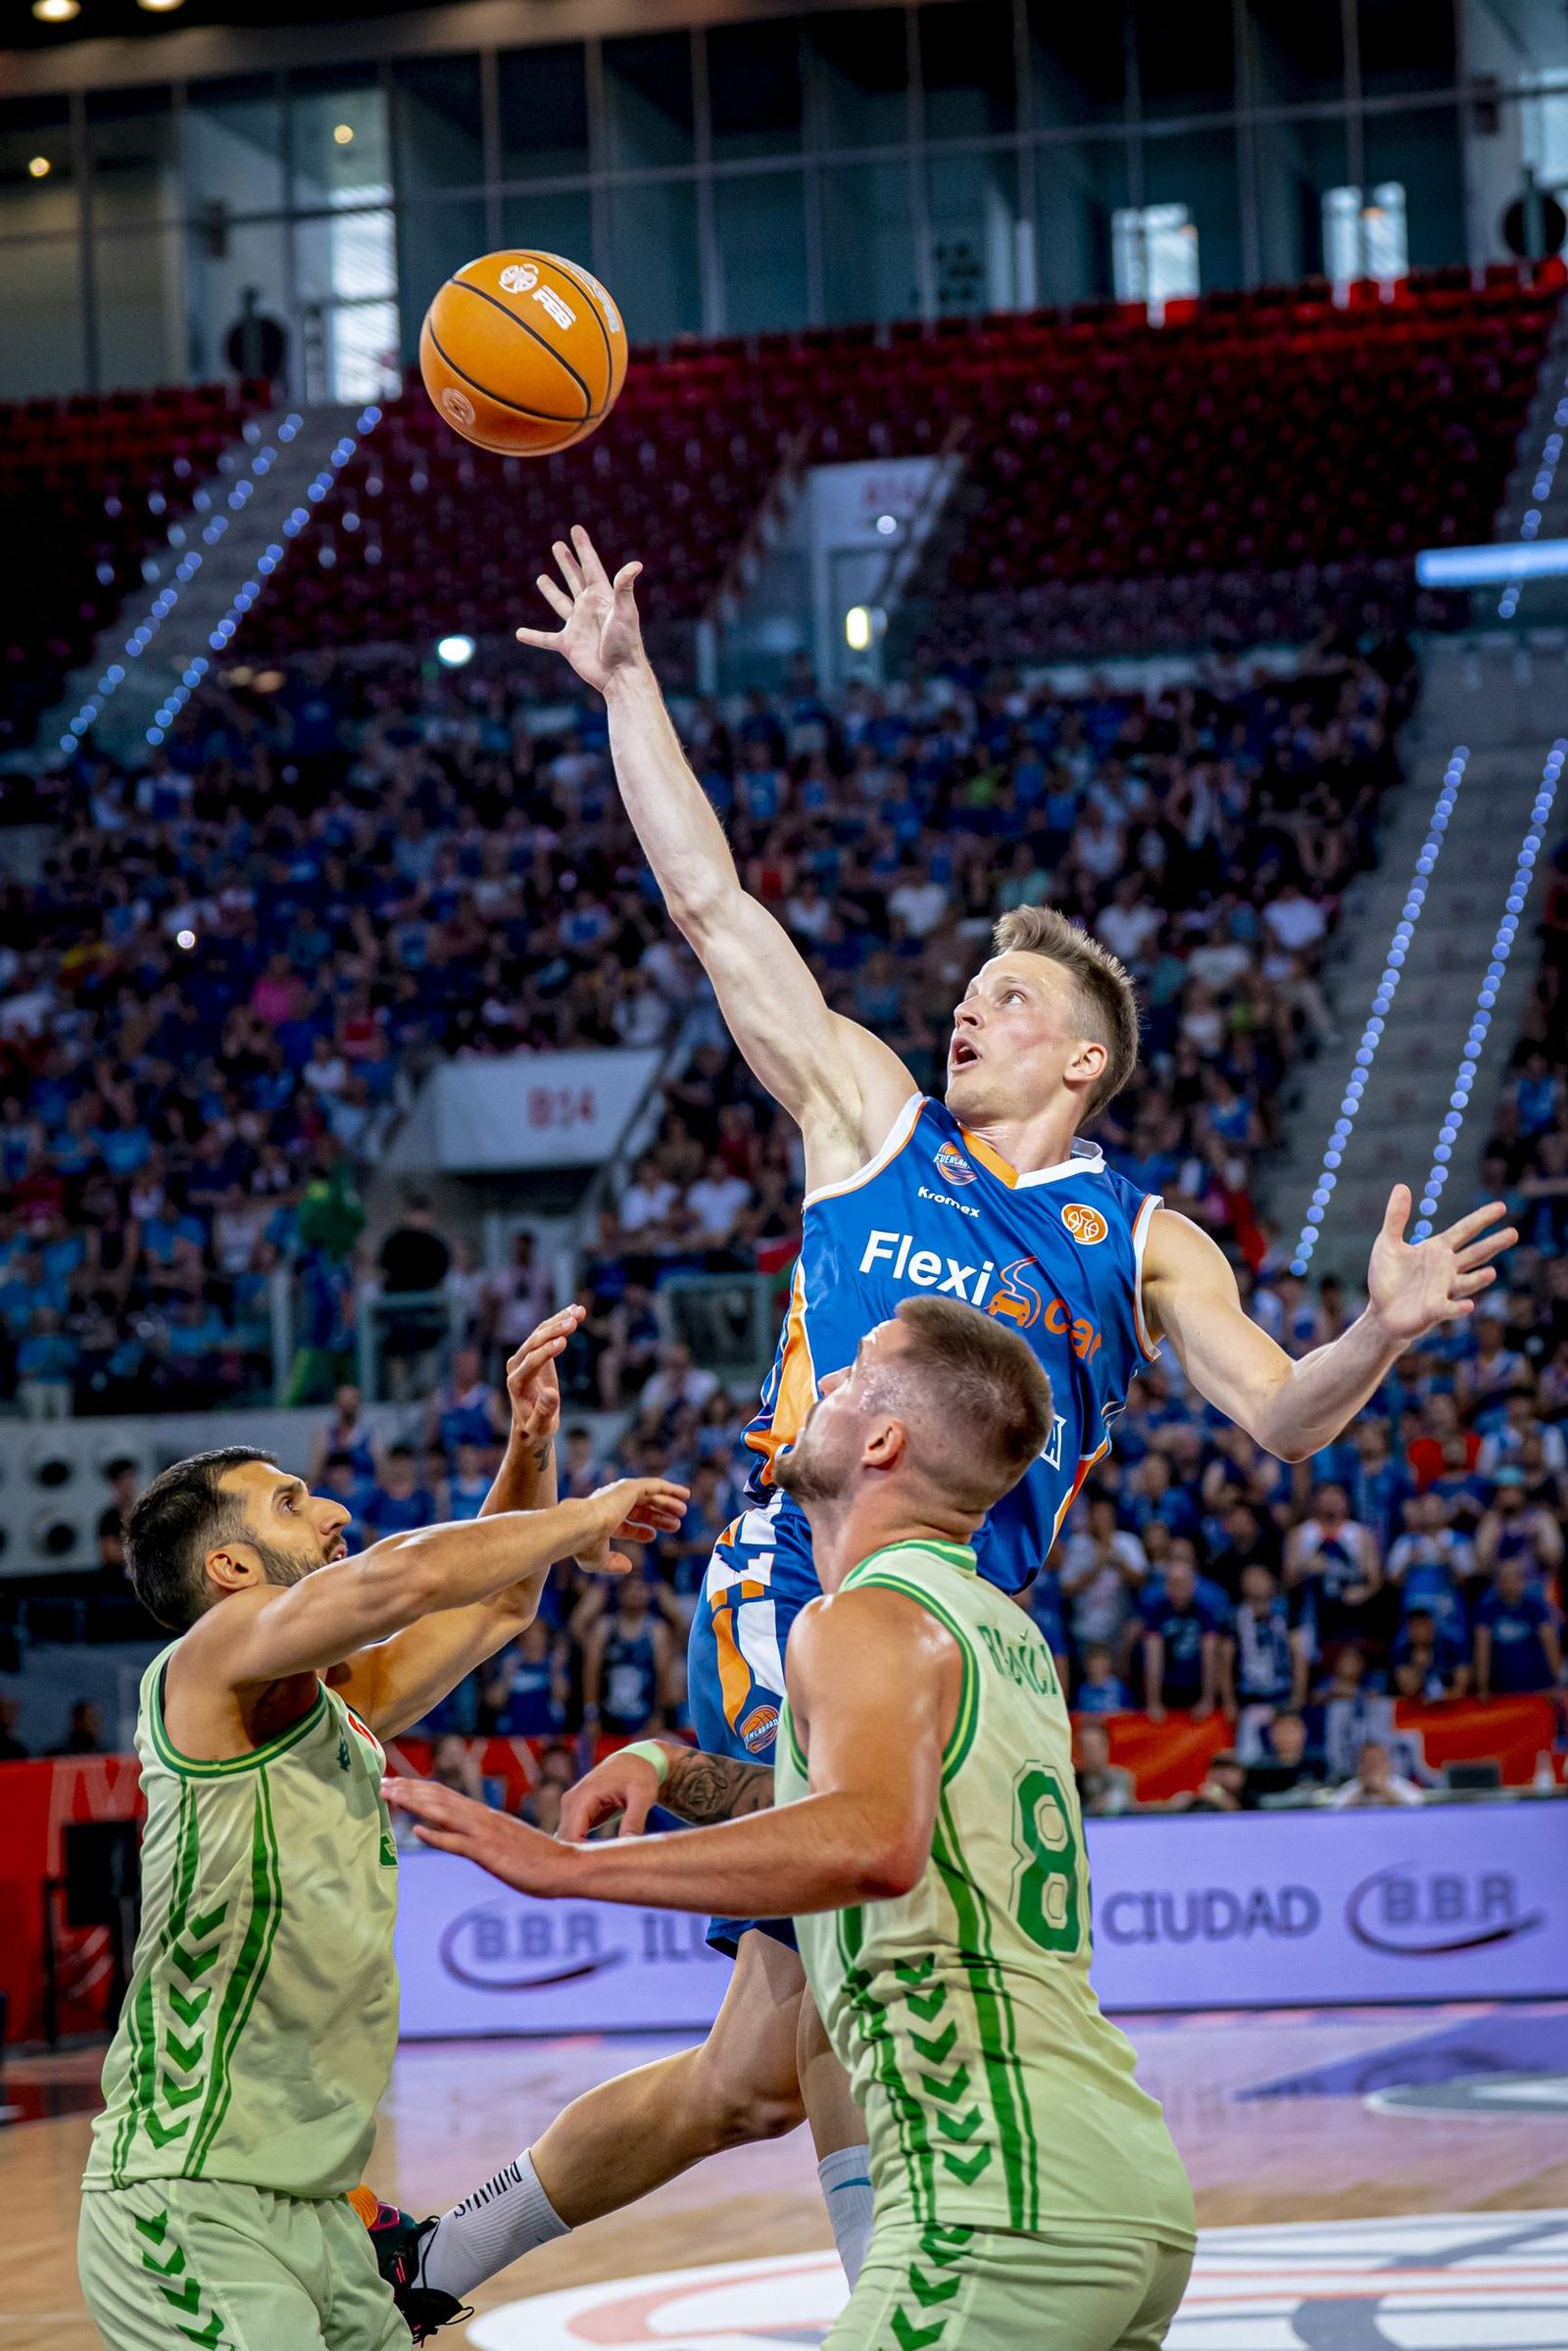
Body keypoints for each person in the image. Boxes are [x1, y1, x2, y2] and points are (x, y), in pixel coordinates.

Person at [369, 524, 1514, 2327]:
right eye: (972, 990)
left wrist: (1373, 1325)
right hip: (815, 1590)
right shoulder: (869, 1122)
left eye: (1013, 1001)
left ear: (1082, 1062)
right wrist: (628, 684)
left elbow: (1285, 1417)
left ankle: (425, 2269)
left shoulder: (1141, 1233)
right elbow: (715, 909)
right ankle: (909, 2289)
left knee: (750, 2065)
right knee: (848, 1985)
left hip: (984, 1638)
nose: (969, 1006)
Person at [385, 1298, 1197, 2351]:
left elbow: (865, 1838)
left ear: (883, 1440)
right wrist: (674, 1763)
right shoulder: (998, 1626)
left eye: (852, 1375)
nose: (815, 1390)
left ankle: (433, 2261)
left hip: (993, 2202)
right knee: (743, 2075)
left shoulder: (851, 1616)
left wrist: (566, 1866)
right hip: (1123, 2187)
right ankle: (438, 2260)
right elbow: (873, 1811)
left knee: (756, 2069)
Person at [77, 1304, 685, 2351]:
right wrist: (585, 1513)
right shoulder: (210, 1665)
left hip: (317, 2206)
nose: (332, 1509)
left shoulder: (326, 1700)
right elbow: (400, 1576)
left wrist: (528, 1447)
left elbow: (494, 1606)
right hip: (190, 2197)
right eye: (290, 1501)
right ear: (228, 1569)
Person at [1330, 1737, 1425, 1808]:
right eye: (1367, 1763)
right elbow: (1336, 1810)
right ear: (1359, 1766)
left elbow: (1417, 1808)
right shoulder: (1350, 1789)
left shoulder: (1402, 1786)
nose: (1372, 1768)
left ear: (1388, 1764)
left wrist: (1384, 1790)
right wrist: (1363, 1791)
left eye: (1376, 1763)